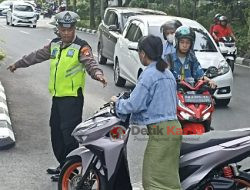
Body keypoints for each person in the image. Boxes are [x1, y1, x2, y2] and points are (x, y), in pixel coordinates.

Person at [7, 11, 107, 181]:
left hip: (72, 99)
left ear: (74, 29)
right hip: (58, 98)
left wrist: (98, 74)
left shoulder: (81, 47)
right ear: (59, 29)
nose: (67, 33)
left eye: (70, 30)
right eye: (63, 29)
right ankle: (64, 165)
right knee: (56, 133)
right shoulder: (54, 45)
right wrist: (18, 64)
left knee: (69, 136)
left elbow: (90, 63)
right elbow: (36, 56)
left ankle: (74, 171)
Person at [111, 35, 182, 190]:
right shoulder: (168, 73)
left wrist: (117, 104)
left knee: (153, 180)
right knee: (169, 178)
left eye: (139, 52)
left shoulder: (149, 74)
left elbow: (134, 104)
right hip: (174, 128)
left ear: (143, 53)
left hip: (161, 132)